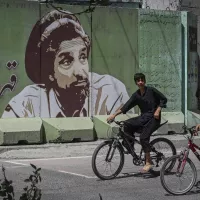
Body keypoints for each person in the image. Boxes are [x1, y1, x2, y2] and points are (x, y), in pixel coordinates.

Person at [1, 10, 133, 118]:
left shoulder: (109, 90)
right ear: (49, 73)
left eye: (82, 57)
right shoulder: (26, 104)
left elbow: (126, 133)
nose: (80, 72)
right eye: (66, 61)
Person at [107, 73, 168, 172]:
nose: (140, 82)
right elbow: (126, 106)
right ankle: (130, 146)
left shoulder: (151, 91)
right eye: (138, 80)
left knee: (143, 137)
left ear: (144, 81)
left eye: (142, 80)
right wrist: (114, 115)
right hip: (144, 117)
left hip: (154, 118)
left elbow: (163, 99)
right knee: (126, 124)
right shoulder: (136, 95)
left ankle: (148, 162)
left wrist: (158, 110)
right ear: (136, 82)